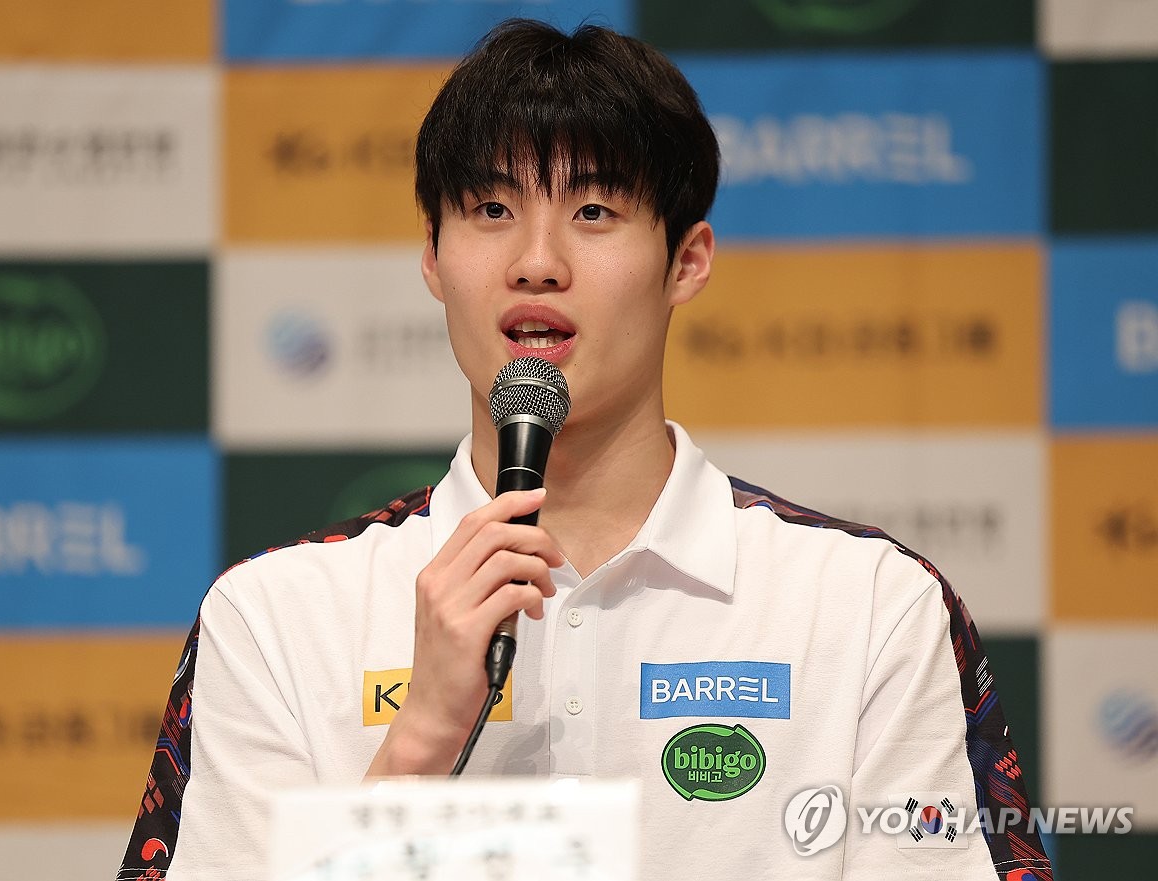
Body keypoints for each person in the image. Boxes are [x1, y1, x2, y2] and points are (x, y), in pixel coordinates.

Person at [119, 19, 1052, 881]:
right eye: (492, 208)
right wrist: (417, 745)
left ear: (686, 261)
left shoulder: (868, 607)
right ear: (433, 257)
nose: (537, 260)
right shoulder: (276, 620)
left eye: (594, 211)